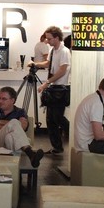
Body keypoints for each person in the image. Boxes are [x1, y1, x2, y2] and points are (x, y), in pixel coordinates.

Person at [33, 26, 71, 154]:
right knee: (50, 119)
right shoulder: (53, 51)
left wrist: (47, 83)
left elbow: (62, 70)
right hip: (54, 88)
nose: (47, 41)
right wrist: (35, 64)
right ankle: (57, 147)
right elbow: (48, 63)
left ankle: (73, 135)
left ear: (57, 38)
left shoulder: (64, 51)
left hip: (61, 88)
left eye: (49, 39)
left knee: (57, 117)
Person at [0, 87, 44, 168]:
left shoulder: (20, 112)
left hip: (13, 140)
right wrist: (11, 124)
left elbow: (23, 127)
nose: (0, 101)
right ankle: (30, 152)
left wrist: (0, 122)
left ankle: (12, 168)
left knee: (9, 137)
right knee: (14, 122)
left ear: (12, 100)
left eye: (4, 99)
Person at [74, 75, 104, 154]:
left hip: (85, 142)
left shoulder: (94, 99)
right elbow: (98, 135)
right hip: (88, 144)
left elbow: (99, 130)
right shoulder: (97, 104)